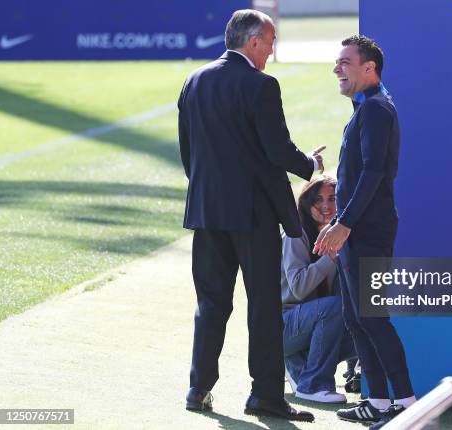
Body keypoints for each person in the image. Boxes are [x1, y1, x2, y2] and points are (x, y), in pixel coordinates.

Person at [178, 9, 325, 422]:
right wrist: (311, 166)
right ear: (253, 41)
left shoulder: (194, 81)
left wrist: (209, 193)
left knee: (210, 302)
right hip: (254, 215)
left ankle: (198, 387)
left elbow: (189, 153)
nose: (272, 49)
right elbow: (277, 149)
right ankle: (265, 395)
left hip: (207, 212)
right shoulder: (261, 85)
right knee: (263, 306)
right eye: (271, 41)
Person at [314, 35, 416, 428]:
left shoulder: (376, 109)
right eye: (336, 62)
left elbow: (374, 172)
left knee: (372, 317)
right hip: (357, 232)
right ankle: (376, 401)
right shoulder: (366, 107)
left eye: (345, 62)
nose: (336, 69)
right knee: (356, 318)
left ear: (369, 68)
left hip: (367, 232)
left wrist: (343, 224)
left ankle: (407, 405)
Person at [281, 175, 357, 403]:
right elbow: (299, 289)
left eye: (332, 199)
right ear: (306, 204)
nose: (326, 206)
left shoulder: (340, 234)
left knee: (366, 323)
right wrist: (329, 256)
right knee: (335, 307)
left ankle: (300, 367)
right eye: (318, 200)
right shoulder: (295, 234)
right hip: (282, 326)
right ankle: (313, 384)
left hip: (315, 323)